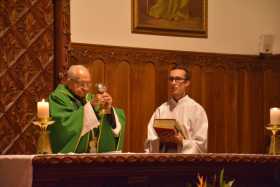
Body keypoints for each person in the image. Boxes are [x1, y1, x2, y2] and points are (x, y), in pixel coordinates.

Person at [48, 65, 126, 153]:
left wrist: (108, 111)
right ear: (69, 81)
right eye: (81, 84)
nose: (85, 88)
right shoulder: (58, 98)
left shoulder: (90, 99)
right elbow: (63, 127)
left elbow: (109, 126)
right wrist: (91, 108)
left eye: (88, 84)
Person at [147, 64, 208, 153]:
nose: (173, 83)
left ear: (187, 83)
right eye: (171, 79)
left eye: (178, 79)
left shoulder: (197, 110)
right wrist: (161, 140)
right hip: (163, 161)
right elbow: (150, 140)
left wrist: (181, 141)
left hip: (185, 163)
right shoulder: (161, 110)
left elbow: (201, 144)